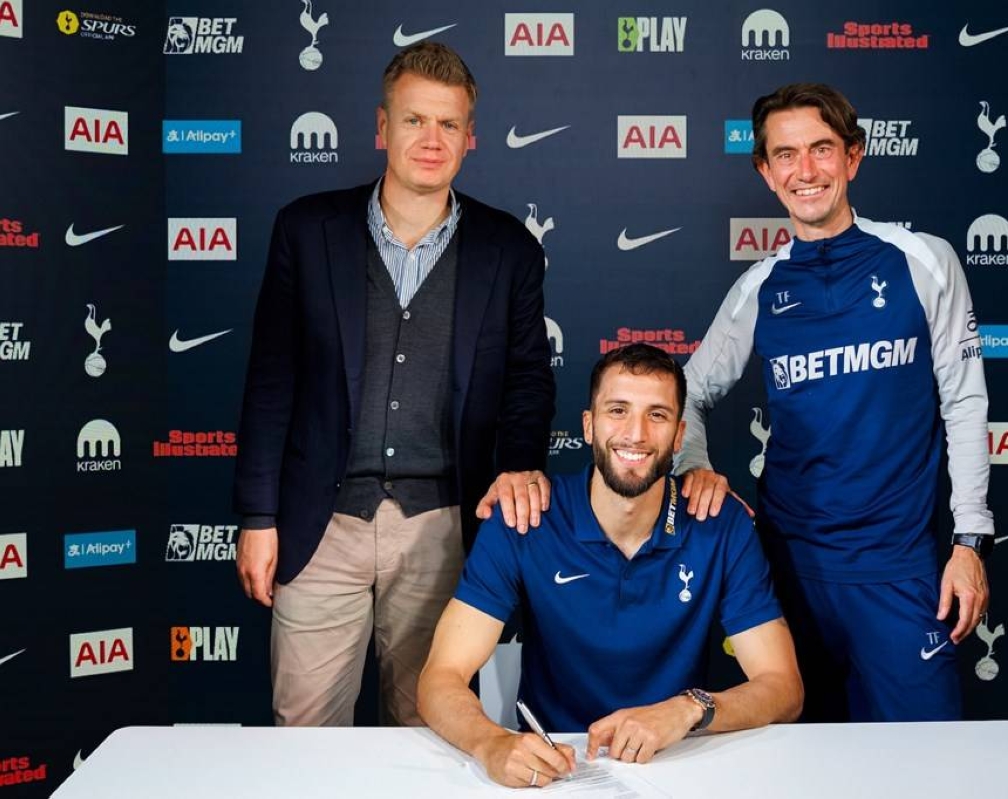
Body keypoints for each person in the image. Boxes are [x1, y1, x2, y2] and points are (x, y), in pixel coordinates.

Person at [233, 42, 555, 727]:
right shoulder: (306, 230)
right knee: (305, 735)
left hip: (444, 528)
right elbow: (270, 383)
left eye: (447, 124)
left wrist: (519, 468)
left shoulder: (510, 250)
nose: (431, 140)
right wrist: (258, 518)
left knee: (431, 733)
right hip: (319, 525)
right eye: (414, 120)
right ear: (383, 127)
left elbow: (528, 381)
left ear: (469, 138)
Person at [677, 83, 994, 722]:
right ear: (765, 172)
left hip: (899, 572)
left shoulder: (923, 260)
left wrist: (970, 543)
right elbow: (684, 395)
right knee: (798, 761)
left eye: (821, 149)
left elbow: (964, 402)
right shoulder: (760, 286)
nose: (806, 170)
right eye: (786, 155)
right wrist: (693, 468)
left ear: (853, 156)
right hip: (785, 575)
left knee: (928, 762)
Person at [418, 344, 803, 788]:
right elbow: (440, 677)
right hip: (552, 768)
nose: (636, 434)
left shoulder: (720, 523)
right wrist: (491, 743)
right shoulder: (524, 517)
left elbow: (783, 688)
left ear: (679, 435)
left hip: (678, 762)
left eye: (657, 415)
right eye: (618, 410)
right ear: (589, 425)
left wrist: (687, 710)